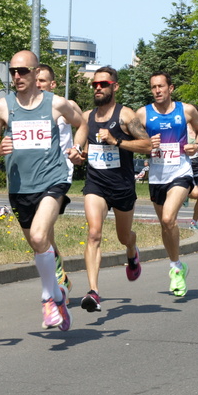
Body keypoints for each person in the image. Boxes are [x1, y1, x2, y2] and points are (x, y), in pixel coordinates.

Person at [0, 50, 86, 331]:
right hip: (20, 187)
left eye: (23, 71)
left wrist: (77, 148)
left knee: (41, 236)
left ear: (35, 72)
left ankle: (47, 299)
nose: (17, 76)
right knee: (38, 244)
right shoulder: (2, 107)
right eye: (13, 72)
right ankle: (59, 295)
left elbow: (82, 124)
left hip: (54, 179)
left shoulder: (56, 104)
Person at [75, 66, 152, 312]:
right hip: (96, 184)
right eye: (95, 85)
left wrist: (116, 140)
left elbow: (147, 145)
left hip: (122, 186)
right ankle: (93, 291)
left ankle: (131, 249)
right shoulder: (87, 117)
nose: (98, 88)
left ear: (115, 87)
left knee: (123, 236)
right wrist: (78, 155)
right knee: (94, 233)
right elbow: (82, 148)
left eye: (104, 84)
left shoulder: (125, 115)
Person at [136, 71, 198, 297]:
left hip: (180, 172)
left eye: (161, 86)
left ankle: (175, 270)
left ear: (171, 88)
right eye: (153, 87)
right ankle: (177, 264)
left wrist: (196, 145)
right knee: (165, 226)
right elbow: (132, 139)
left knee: (169, 218)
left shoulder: (186, 110)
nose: (157, 91)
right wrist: (147, 143)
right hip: (157, 176)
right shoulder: (143, 113)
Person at [35, 63, 82, 295]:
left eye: (42, 81)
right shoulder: (26, 108)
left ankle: (57, 281)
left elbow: (83, 125)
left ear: (53, 84)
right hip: (35, 174)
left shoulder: (66, 105)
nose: (37, 85)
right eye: (35, 80)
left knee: (43, 230)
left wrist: (78, 148)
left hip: (60, 172)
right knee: (41, 232)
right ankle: (59, 274)